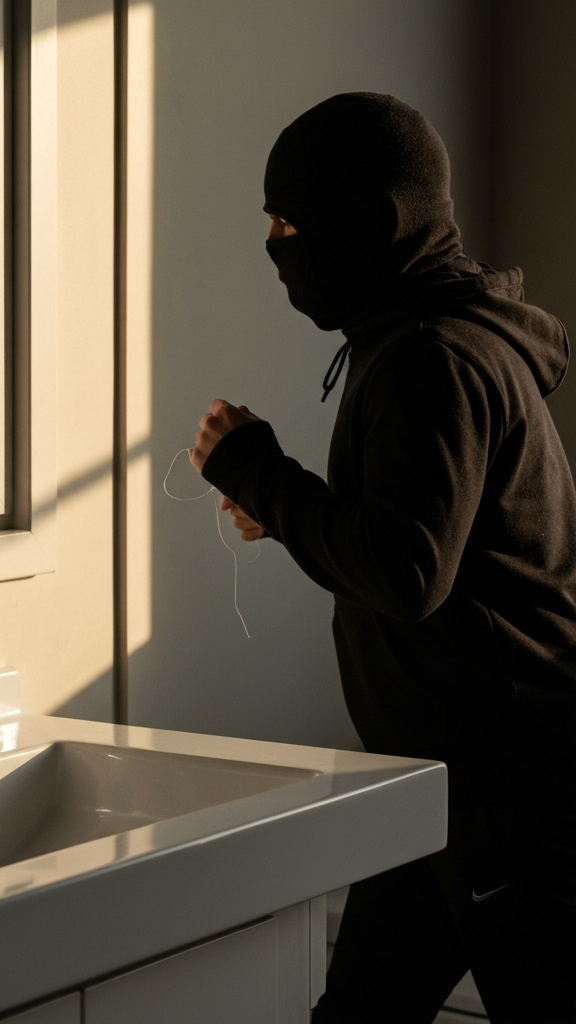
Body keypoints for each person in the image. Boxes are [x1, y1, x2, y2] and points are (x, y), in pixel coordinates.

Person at [192, 94, 575, 1022]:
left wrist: (259, 471)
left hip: (508, 797)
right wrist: (285, 510)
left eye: (292, 223)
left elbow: (407, 574)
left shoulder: (430, 357)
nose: (277, 244)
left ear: (373, 223)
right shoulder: (435, 335)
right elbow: (410, 538)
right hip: (439, 787)